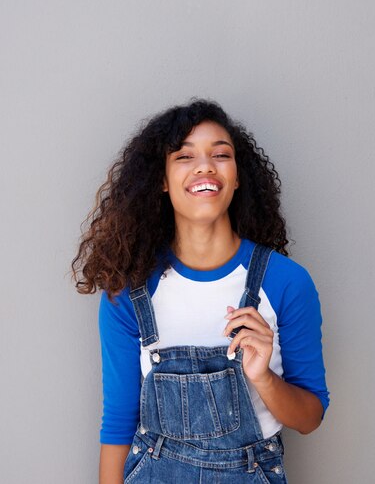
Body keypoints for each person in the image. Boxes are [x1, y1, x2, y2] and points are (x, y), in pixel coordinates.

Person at [72, 99, 329, 483]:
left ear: (238, 176)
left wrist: (262, 377)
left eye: (220, 154)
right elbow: (119, 422)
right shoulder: (129, 292)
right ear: (161, 180)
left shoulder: (286, 282)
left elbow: (309, 418)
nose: (205, 165)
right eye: (184, 156)